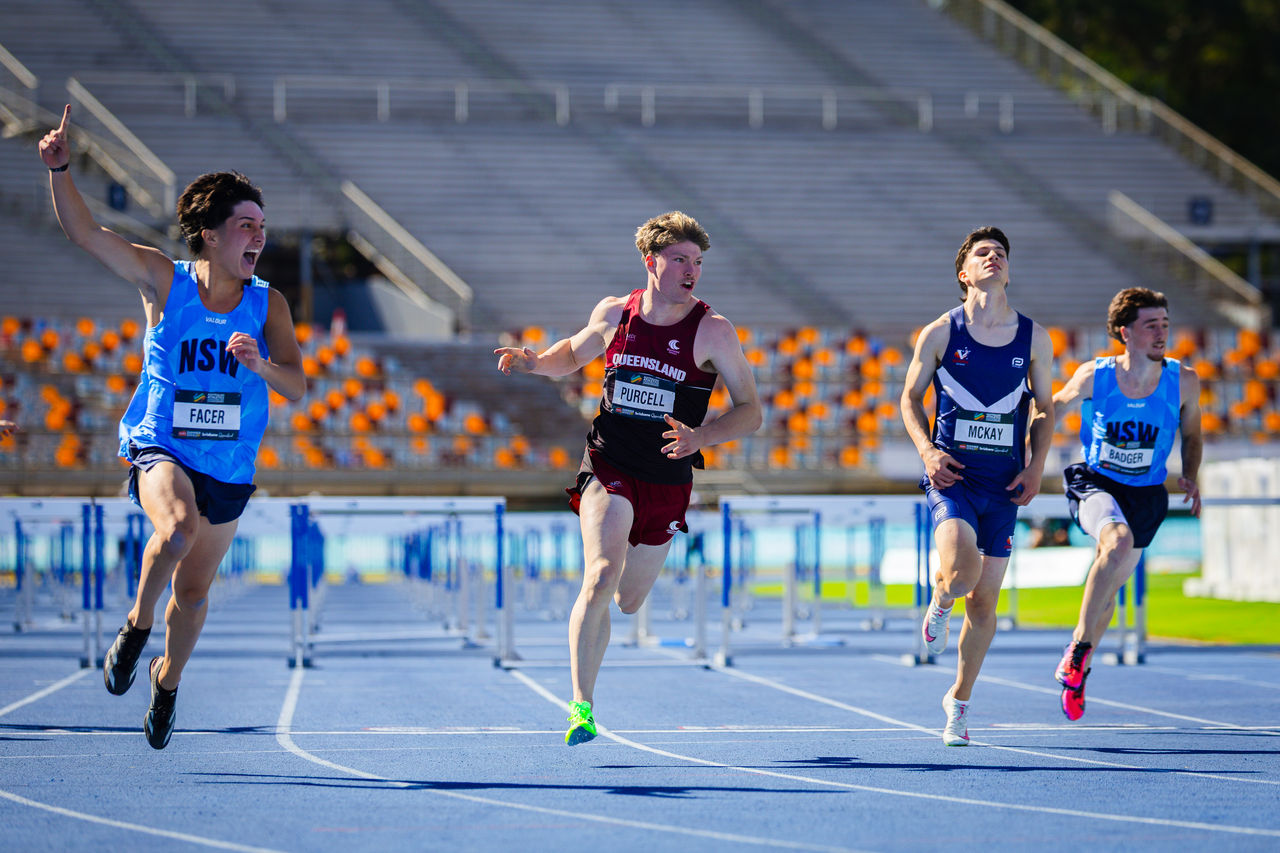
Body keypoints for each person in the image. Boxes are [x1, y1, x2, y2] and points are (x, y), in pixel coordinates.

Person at [40, 106, 306, 749]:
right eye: (246, 226)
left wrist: (259, 363)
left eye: (263, 227)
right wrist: (60, 171)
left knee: (192, 592)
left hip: (229, 466)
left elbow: (297, 387)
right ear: (211, 235)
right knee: (177, 528)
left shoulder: (268, 303)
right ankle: (135, 627)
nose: (258, 237)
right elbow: (86, 233)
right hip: (162, 444)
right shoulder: (164, 280)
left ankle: (166, 680)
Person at [495, 211, 761, 746]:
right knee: (599, 574)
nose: (691, 271)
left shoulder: (713, 330)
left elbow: (750, 410)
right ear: (651, 262)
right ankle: (581, 706)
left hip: (666, 477)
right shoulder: (616, 313)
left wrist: (701, 439)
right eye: (680, 260)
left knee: (627, 600)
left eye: (698, 262)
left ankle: (607, 632)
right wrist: (534, 362)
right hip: (609, 462)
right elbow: (572, 353)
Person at [900, 226, 1054, 746]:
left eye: (1001, 253)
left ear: (1009, 270)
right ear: (964, 273)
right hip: (954, 477)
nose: (994, 257)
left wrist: (1036, 467)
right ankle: (940, 600)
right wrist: (927, 452)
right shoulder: (941, 333)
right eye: (982, 253)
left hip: (1005, 484)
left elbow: (1045, 409)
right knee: (962, 572)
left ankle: (958, 702)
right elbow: (909, 398)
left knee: (985, 604)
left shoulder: (1034, 336)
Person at [1043, 287, 1200, 720]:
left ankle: (1081, 668)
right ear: (1125, 332)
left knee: (1110, 582)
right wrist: (1024, 455)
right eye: (1151, 325)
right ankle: (1077, 648)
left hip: (1147, 493)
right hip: (1096, 481)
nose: (1161, 333)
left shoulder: (1183, 379)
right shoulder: (1097, 375)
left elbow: (1192, 432)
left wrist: (1192, 473)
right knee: (1116, 541)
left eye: (1165, 324)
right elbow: (1053, 407)